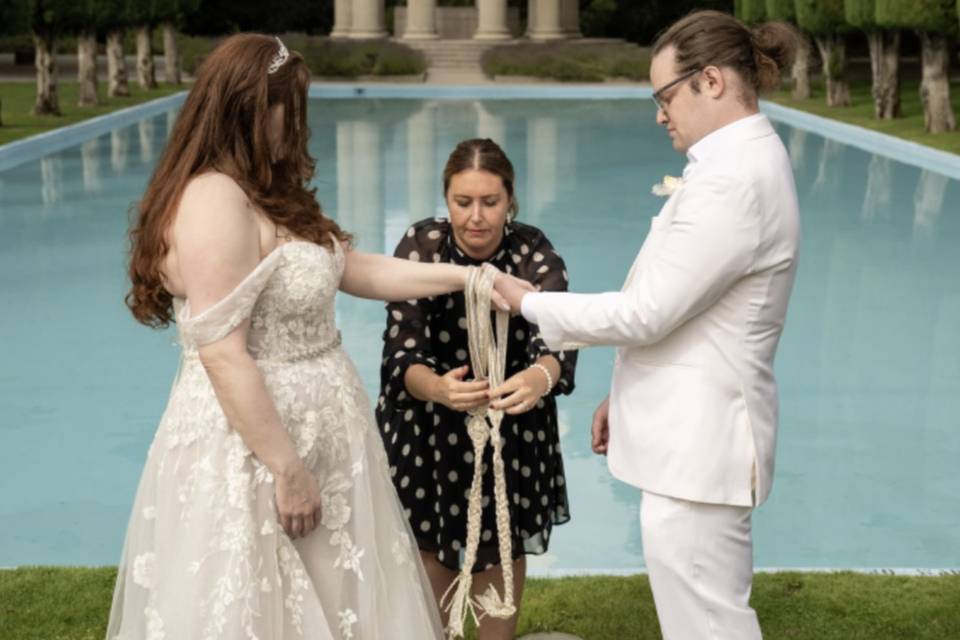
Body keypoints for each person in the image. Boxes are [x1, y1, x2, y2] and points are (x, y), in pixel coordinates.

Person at [107, 34, 507, 640]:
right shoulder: (215, 198)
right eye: (288, 108)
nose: (298, 123)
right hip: (258, 449)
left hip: (325, 434)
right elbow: (221, 349)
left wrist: (470, 278)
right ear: (248, 106)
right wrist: (286, 469)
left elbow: (353, 267)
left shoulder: (267, 189)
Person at [496, 11, 800, 640]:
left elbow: (646, 312)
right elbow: (688, 314)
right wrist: (625, 396)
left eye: (666, 96)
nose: (660, 114)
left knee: (709, 624)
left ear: (710, 81)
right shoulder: (735, 164)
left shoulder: (733, 181)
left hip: (701, 445)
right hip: (689, 435)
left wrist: (526, 302)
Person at [375, 138, 577, 639]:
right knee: (430, 539)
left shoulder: (534, 252)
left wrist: (538, 377)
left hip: (512, 429)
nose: (476, 217)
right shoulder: (421, 247)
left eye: (491, 201)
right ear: (446, 200)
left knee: (500, 547)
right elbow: (401, 352)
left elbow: (560, 339)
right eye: (463, 202)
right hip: (428, 422)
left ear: (511, 200)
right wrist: (438, 388)